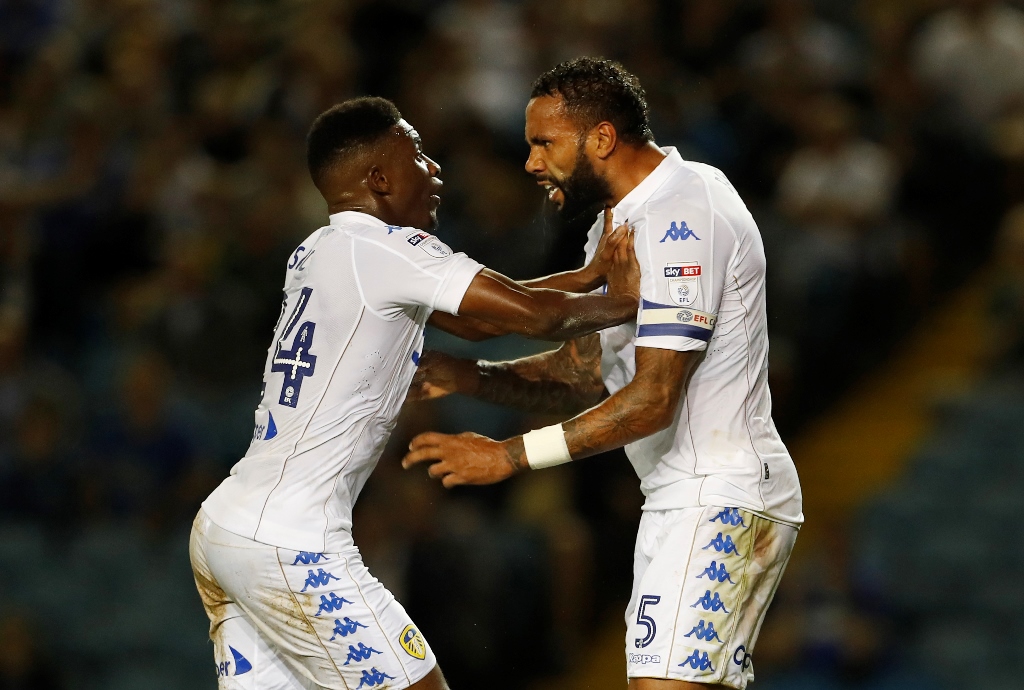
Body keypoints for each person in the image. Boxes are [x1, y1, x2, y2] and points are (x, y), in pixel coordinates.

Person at [188, 96, 641, 690]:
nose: (434, 170)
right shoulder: (387, 248)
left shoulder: (319, 250)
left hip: (226, 527)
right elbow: (535, 316)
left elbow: (482, 320)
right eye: (418, 155)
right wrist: (630, 301)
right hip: (290, 543)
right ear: (378, 178)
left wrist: (585, 279)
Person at [403, 58, 803, 689]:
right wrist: (474, 377)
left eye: (544, 143)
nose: (532, 163)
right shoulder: (616, 225)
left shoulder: (682, 214)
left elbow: (653, 400)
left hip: (718, 493)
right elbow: (588, 373)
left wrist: (508, 455)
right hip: (681, 497)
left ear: (602, 138)